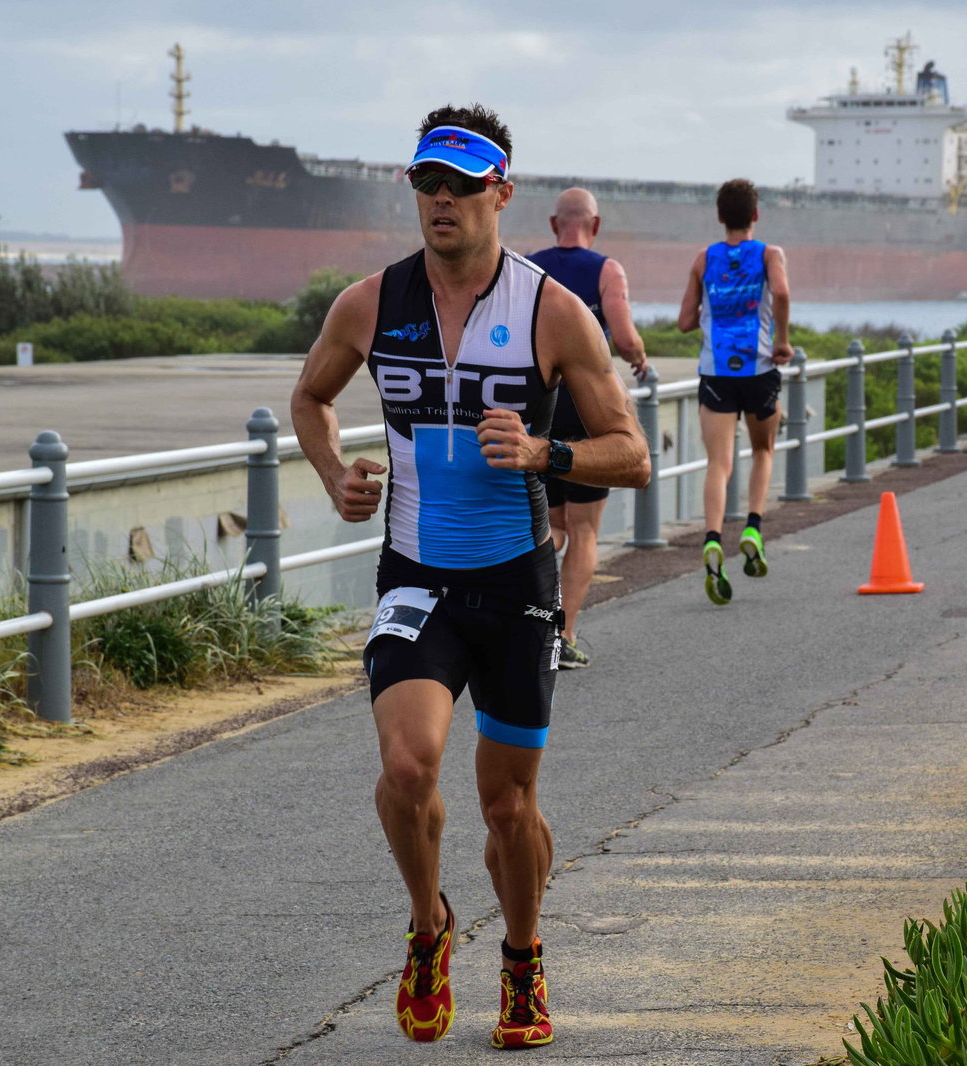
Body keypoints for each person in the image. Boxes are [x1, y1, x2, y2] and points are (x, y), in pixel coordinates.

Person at [289, 104, 649, 1051]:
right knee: (406, 768)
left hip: (517, 582)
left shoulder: (551, 312)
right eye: (425, 183)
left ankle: (523, 957)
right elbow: (311, 397)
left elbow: (632, 455)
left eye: (458, 184)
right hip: (414, 573)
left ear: (501, 192)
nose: (439, 200)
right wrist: (334, 474)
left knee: (506, 804)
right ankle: (429, 926)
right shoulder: (370, 303)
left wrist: (542, 451)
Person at [527, 188, 650, 669]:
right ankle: (564, 635)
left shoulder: (527, 268)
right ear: (594, 226)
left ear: (554, 222)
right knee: (584, 530)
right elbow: (622, 337)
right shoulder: (606, 270)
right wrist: (638, 357)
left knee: (549, 525)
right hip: (587, 412)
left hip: (538, 408)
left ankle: (525, 621)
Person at [676, 178, 793, 605]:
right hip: (760, 367)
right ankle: (753, 529)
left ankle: (711, 538)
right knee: (763, 451)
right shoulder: (769, 254)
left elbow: (685, 321)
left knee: (719, 463)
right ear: (755, 216)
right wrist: (781, 340)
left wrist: (713, 309)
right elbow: (780, 291)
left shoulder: (704, 259)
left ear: (721, 217)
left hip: (715, 371)